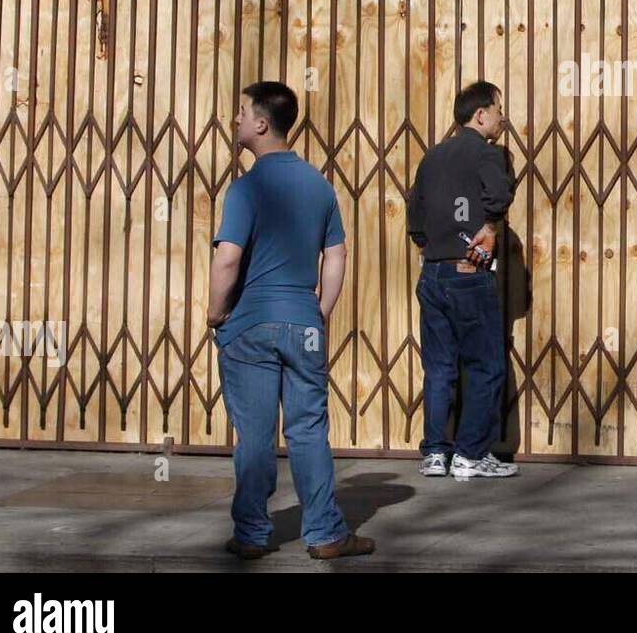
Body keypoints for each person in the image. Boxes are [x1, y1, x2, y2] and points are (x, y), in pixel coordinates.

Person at [208, 81, 375, 560]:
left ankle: (252, 535)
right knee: (307, 430)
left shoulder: (247, 187)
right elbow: (337, 255)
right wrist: (318, 311)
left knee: (256, 434)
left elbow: (227, 260)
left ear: (261, 124)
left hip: (250, 324)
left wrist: (216, 311)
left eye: (241, 112)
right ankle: (325, 534)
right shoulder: (319, 185)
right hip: (302, 322)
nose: (235, 119)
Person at [408, 80, 518, 480]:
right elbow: (499, 197)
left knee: (439, 367)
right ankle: (471, 454)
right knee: (486, 365)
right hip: (469, 273)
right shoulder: (486, 154)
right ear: (481, 114)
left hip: (432, 272)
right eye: (498, 108)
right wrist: (489, 226)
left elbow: (415, 215)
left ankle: (436, 453)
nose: (503, 118)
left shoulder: (432, 157)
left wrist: (432, 245)